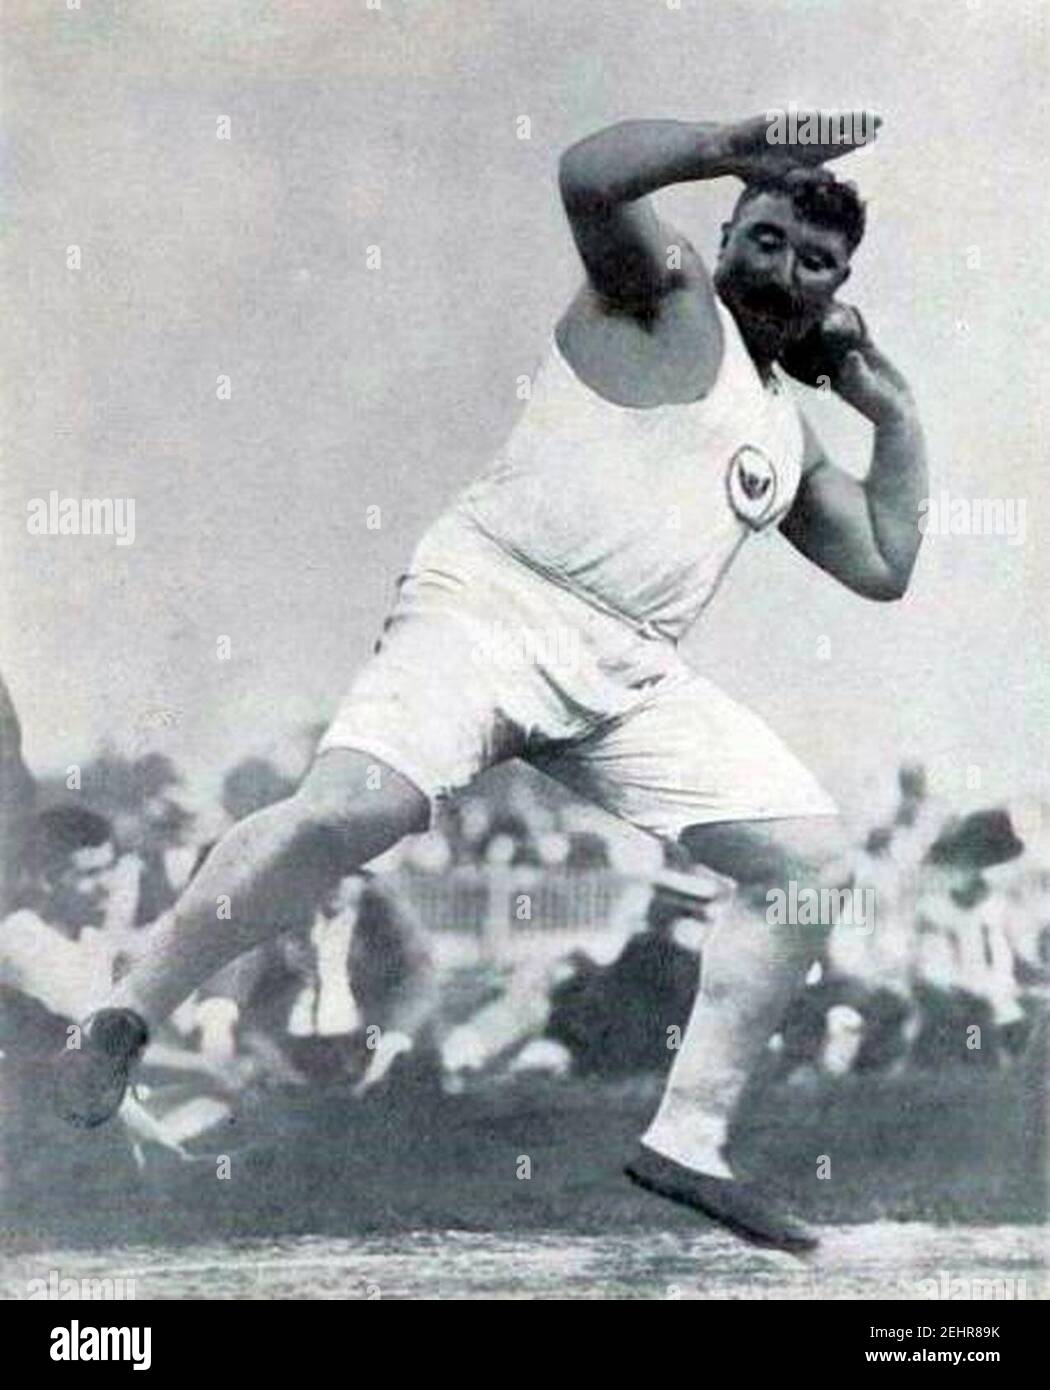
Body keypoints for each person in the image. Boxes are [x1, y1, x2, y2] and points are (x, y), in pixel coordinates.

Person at [56, 109, 927, 1252]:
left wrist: (890, 402)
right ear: (728, 232)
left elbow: (883, 561)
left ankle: (689, 1138)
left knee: (808, 861)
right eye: (764, 239)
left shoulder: (788, 431)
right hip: (491, 602)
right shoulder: (663, 292)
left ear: (838, 289)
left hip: (628, 673)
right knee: (351, 812)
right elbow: (589, 175)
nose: (783, 271)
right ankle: (124, 1015)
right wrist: (738, 140)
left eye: (815, 264)